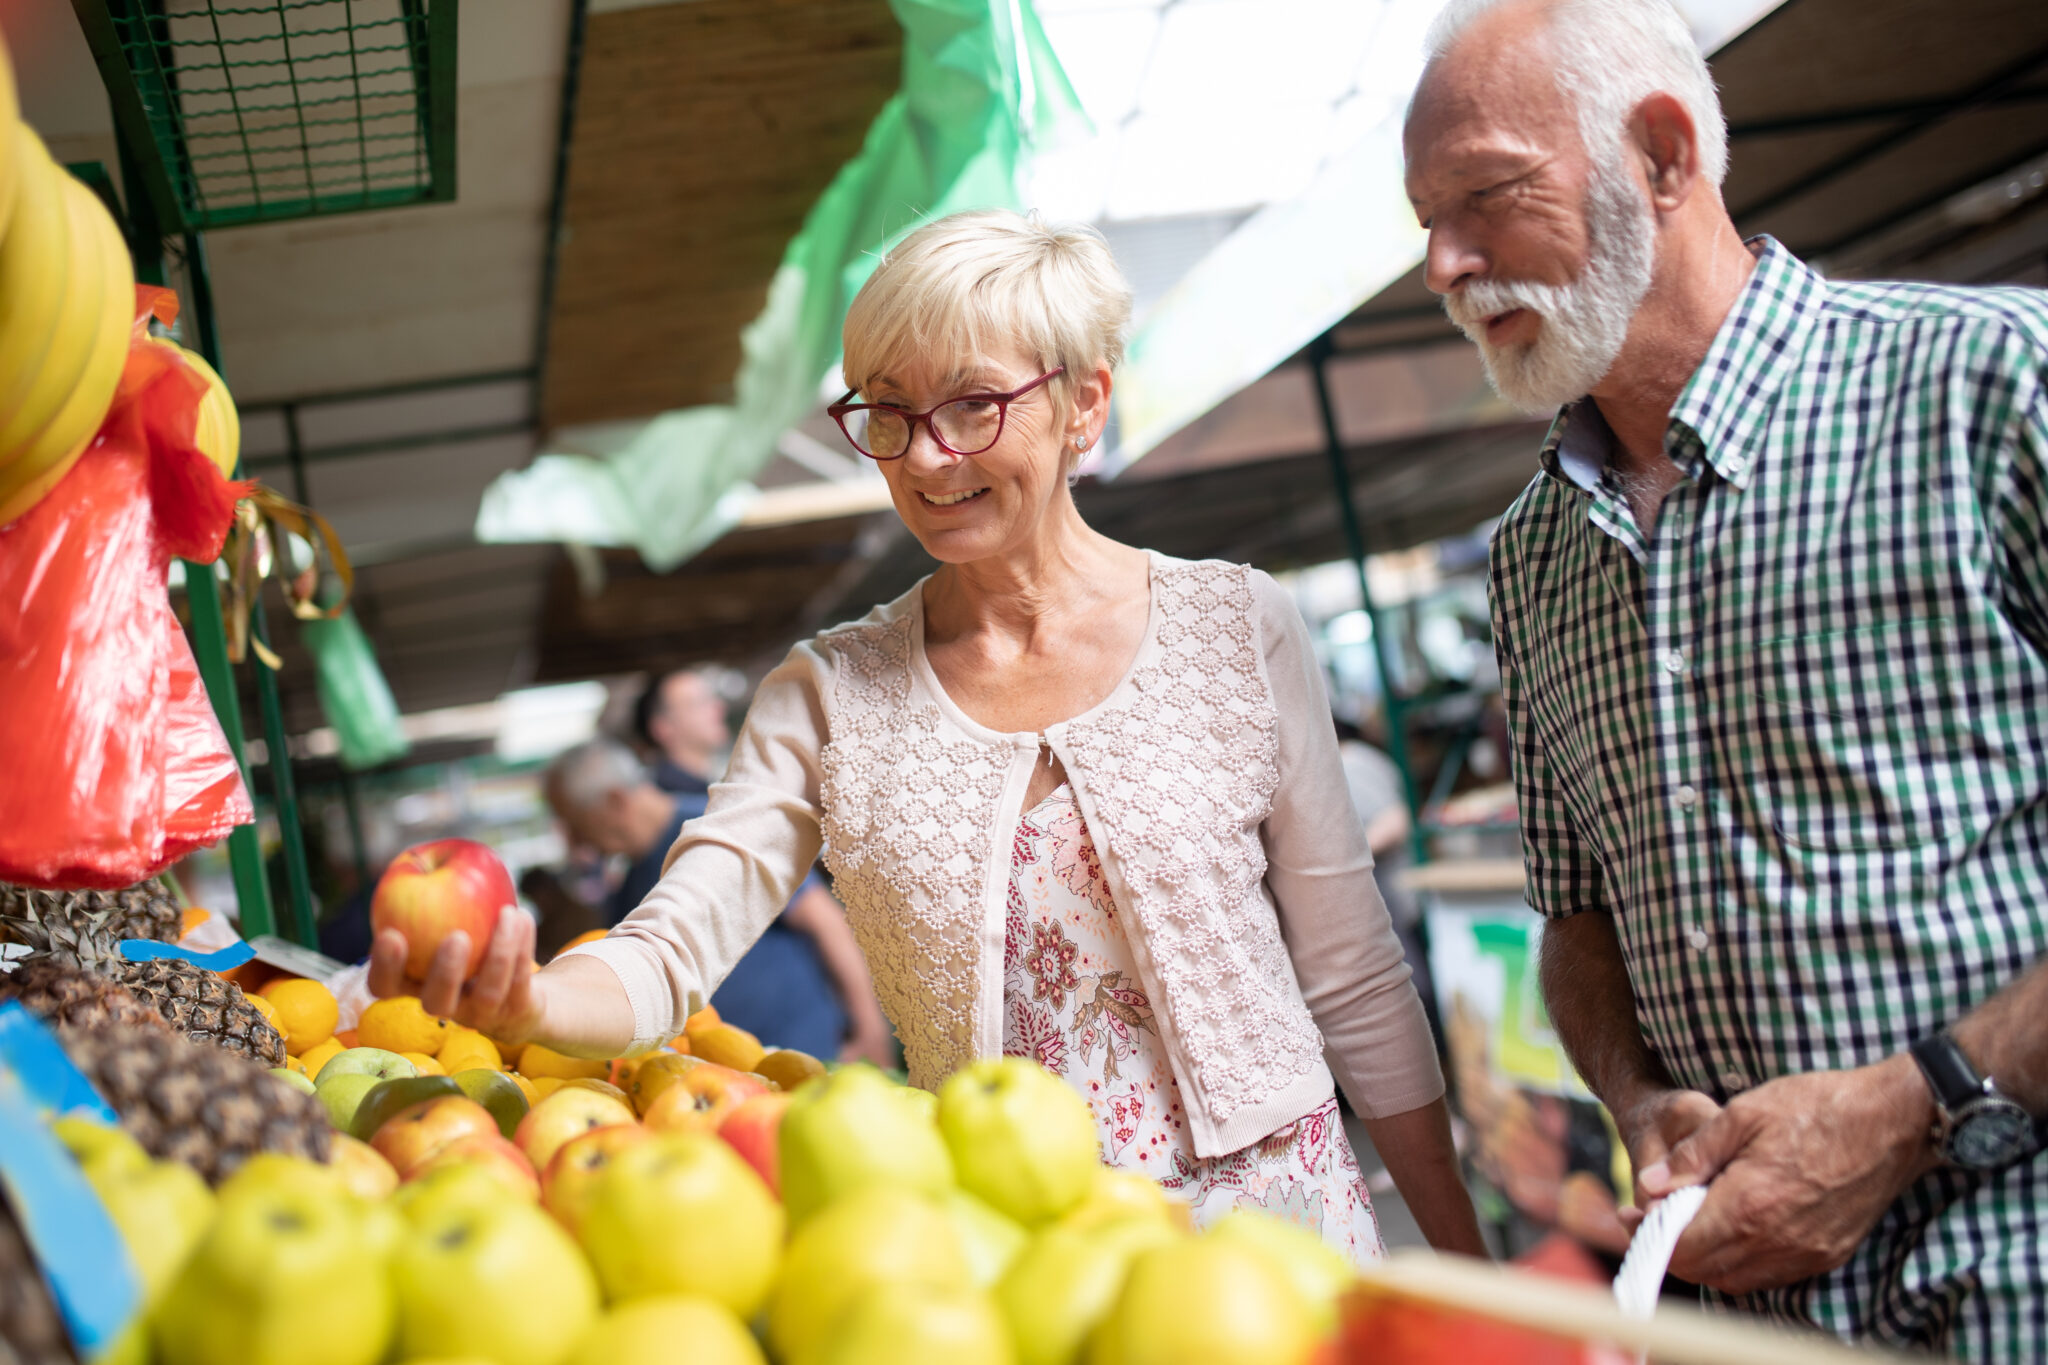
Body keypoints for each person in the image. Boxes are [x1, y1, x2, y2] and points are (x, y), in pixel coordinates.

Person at [370, 209, 1485, 1262]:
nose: (923, 458)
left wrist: (1462, 1259)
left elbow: (1348, 972)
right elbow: (671, 948)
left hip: (1289, 1225)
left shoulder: (1236, 627)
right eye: (886, 412)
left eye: (971, 406)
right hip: (1018, 1249)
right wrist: (531, 1004)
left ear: (1084, 404)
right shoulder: (825, 699)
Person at [1406, 0, 2048, 1353]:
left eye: (1488, 197)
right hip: (1736, 1316)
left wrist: (1911, 1103)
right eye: (1426, 219)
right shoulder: (1532, 560)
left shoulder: (1996, 389)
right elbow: (1576, 914)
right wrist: (1637, 1099)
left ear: (1662, 153)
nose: (1445, 263)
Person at [542, 738, 894, 1066]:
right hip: (722, 1084)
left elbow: (824, 920)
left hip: (812, 1056)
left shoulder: (719, 827)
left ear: (616, 801)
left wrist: (870, 1031)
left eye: (573, 821)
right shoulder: (627, 886)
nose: (574, 840)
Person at [633, 667, 731, 799]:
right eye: (700, 702)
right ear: (662, 727)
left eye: (713, 699)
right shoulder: (662, 800)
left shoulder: (707, 786)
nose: (719, 707)